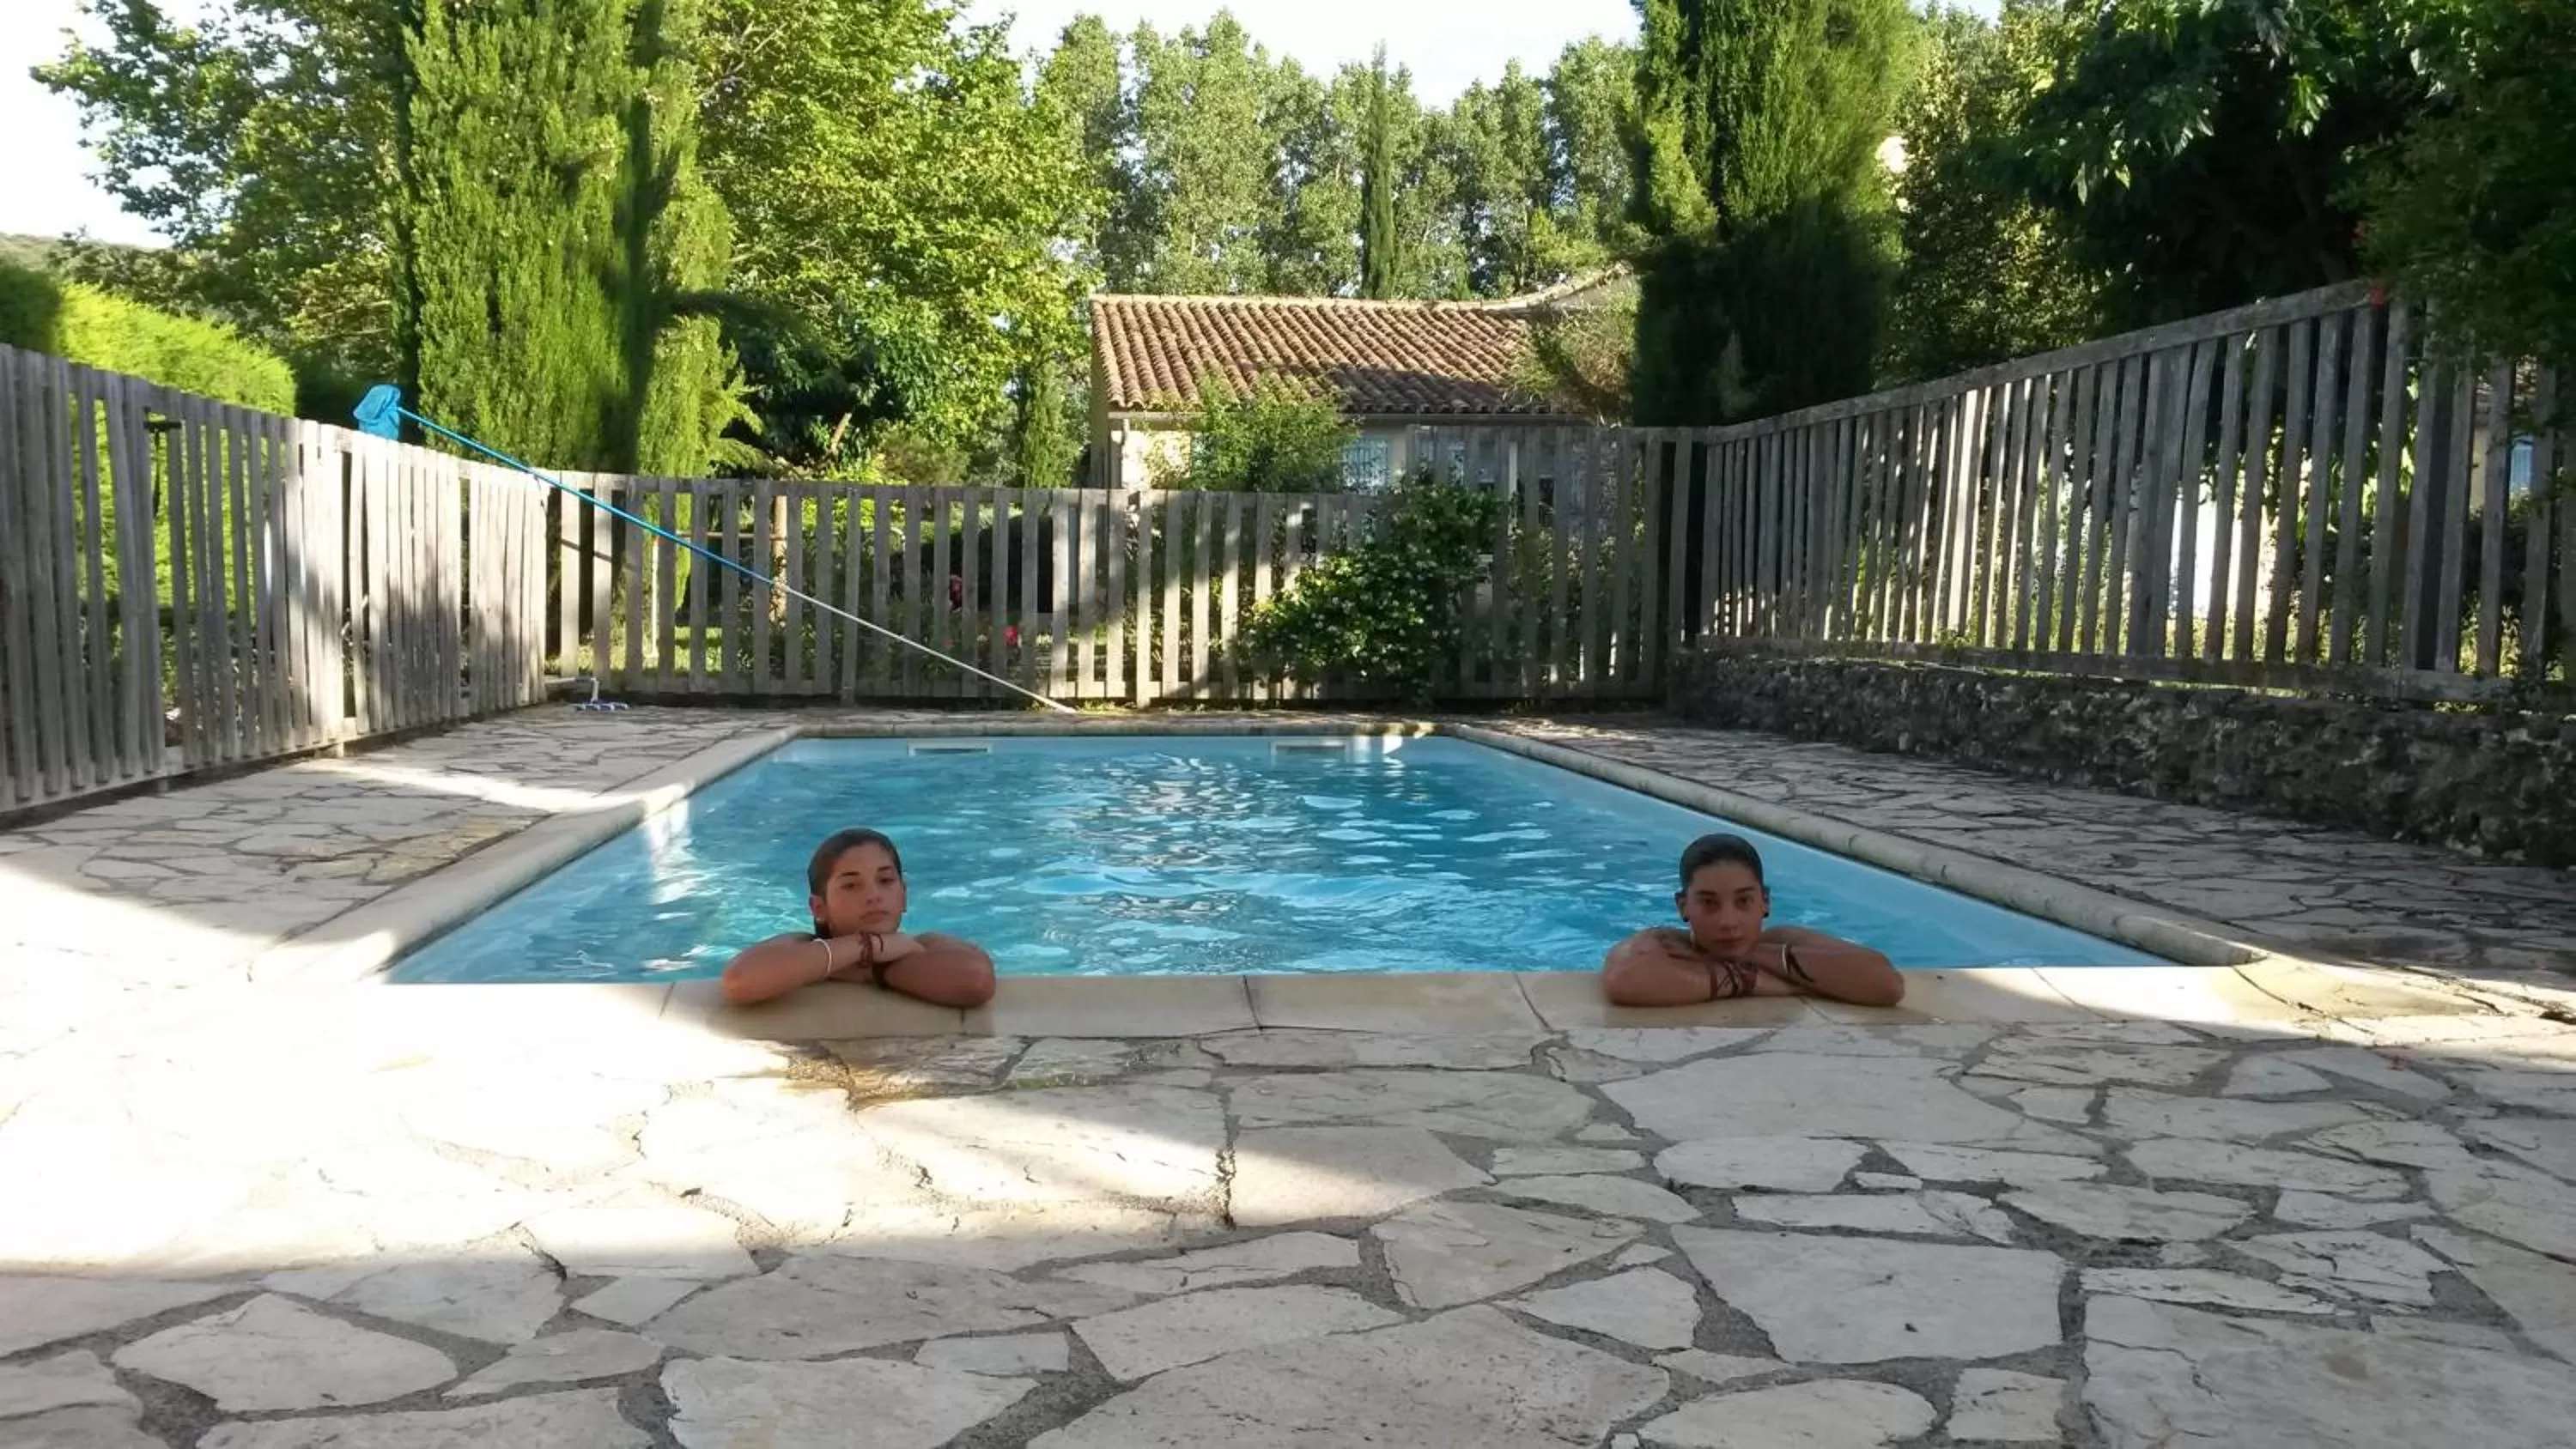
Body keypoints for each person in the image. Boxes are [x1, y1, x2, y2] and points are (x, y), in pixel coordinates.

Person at [1603, 833, 1905, 1008]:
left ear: (1765, 902)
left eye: (1744, 901)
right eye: (1708, 903)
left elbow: (1886, 984)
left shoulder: (1782, 939)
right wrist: (1760, 980)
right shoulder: (1664, 943)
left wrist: (1754, 954)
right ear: (1683, 906)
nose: (1728, 921)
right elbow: (1626, 980)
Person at [719, 828, 997, 1008]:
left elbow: (976, 981)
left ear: (904, 895)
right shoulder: (801, 945)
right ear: (819, 908)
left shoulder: (927, 944)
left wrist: (872, 965)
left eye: (886, 880)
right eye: (851, 885)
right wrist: (867, 949)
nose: (873, 895)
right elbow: (741, 980)